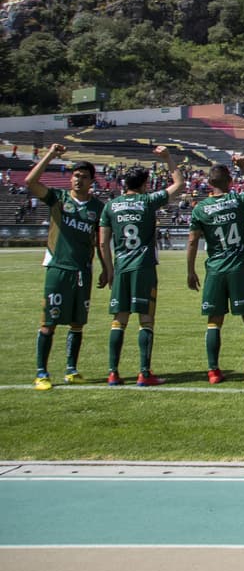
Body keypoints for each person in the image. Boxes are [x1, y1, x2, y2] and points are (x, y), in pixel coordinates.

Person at [26, 145, 109, 390]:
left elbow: (100, 240)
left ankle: (71, 369)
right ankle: (42, 372)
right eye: (75, 175)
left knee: (77, 322)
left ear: (92, 181)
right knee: (48, 322)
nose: (78, 179)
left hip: (83, 270)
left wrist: (105, 268)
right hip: (58, 267)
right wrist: (50, 156)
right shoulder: (58, 199)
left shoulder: (98, 208)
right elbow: (31, 182)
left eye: (83, 177)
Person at [100, 146, 185, 386]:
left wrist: (108, 270)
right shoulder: (148, 201)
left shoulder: (110, 206)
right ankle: (144, 373)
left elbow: (103, 242)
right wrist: (168, 158)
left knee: (119, 320)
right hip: (144, 267)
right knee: (146, 320)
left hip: (122, 267)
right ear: (145, 184)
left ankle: (113, 373)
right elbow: (179, 185)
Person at [186, 154, 244, 385]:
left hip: (215, 268)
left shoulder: (200, 209)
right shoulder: (238, 200)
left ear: (209, 184)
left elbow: (193, 241)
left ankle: (213, 371)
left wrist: (190, 271)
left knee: (214, 321)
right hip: (239, 267)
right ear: (230, 182)